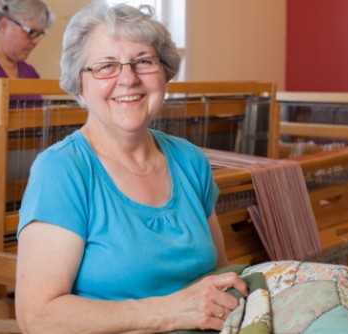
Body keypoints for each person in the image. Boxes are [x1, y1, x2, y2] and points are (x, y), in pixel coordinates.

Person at [15, 1, 249, 332]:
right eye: (106, 66)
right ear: (79, 88)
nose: (128, 78)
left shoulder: (189, 160)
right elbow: (38, 318)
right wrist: (170, 312)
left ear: (165, 74)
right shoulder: (62, 170)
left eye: (143, 62)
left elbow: (218, 271)